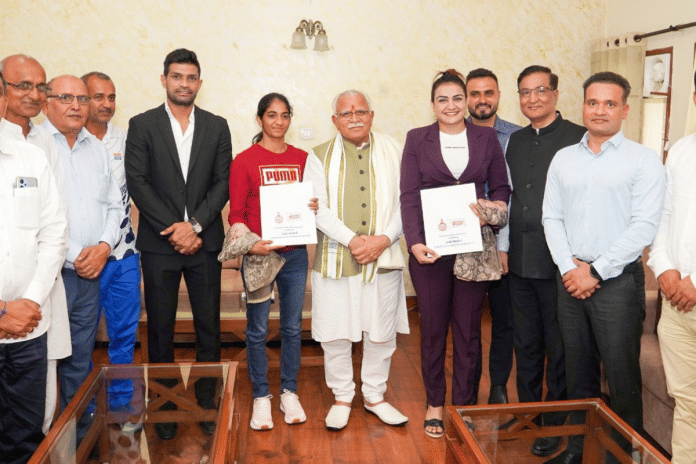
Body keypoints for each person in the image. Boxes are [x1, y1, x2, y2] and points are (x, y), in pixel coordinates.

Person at [542, 71, 665, 464]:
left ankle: (620, 458)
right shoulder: (563, 158)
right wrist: (569, 268)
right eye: (593, 102)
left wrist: (594, 272)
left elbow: (643, 227)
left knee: (623, 379)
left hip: (616, 284)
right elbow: (551, 218)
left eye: (610, 103)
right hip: (570, 278)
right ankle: (578, 451)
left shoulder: (644, 161)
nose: (600, 111)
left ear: (625, 110)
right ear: (582, 106)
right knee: (577, 376)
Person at [125, 49, 232, 440]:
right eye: (176, 76)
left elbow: (222, 182)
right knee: (161, 332)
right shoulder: (142, 124)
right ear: (164, 79)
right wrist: (176, 228)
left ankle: (206, 404)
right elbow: (138, 183)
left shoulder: (217, 126)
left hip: (205, 244)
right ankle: (165, 407)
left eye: (191, 77)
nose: (184, 83)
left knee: (209, 328)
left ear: (199, 83)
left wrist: (197, 225)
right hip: (159, 245)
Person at [400, 69, 511, 438]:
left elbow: (502, 186)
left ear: (466, 102)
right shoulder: (417, 139)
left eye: (457, 99)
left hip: (472, 248)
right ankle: (435, 402)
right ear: (433, 104)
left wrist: (490, 207)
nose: (451, 106)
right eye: (442, 99)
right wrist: (414, 242)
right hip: (430, 251)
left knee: (467, 331)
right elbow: (409, 195)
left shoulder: (486, 137)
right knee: (432, 329)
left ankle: (462, 405)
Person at [304, 89, 409, 431]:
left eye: (360, 111)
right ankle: (342, 396)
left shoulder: (396, 150)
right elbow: (316, 209)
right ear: (334, 120)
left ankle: (375, 396)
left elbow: (407, 203)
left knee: (381, 332)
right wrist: (353, 241)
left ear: (371, 115)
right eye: (346, 113)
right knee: (335, 332)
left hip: (385, 255)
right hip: (337, 258)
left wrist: (382, 240)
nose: (354, 117)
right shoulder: (317, 156)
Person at [503, 65, 586, 458]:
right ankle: (527, 414)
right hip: (519, 261)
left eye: (540, 90)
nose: (532, 98)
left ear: (555, 93)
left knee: (559, 348)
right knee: (527, 344)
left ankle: (554, 424)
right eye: (524, 92)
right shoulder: (515, 141)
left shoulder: (576, 139)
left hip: (559, 265)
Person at [228, 93, 313, 430]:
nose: (279, 122)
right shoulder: (244, 160)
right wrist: (251, 245)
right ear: (260, 119)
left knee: (293, 327)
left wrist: (314, 207)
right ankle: (261, 396)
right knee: (258, 329)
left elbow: (311, 203)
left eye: (285, 115)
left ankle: (288, 391)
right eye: (272, 115)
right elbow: (236, 214)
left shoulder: (303, 159)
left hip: (294, 256)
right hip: (260, 256)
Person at [42, 75, 123, 419]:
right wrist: (78, 255)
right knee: (43, 362)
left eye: (81, 98)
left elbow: (114, 206)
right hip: (53, 275)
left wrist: (104, 247)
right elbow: (41, 218)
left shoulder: (97, 148)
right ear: (47, 103)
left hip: (91, 272)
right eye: (65, 97)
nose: (76, 105)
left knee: (79, 357)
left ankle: (77, 434)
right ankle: (43, 440)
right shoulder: (37, 146)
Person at [0, 54, 70, 433]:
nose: (33, 94)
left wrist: (29, 301)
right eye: (21, 85)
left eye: (38, 87)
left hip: (34, 306)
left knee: (30, 418)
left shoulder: (39, 148)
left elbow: (54, 227)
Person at [82, 71, 141, 416]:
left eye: (111, 97)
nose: (106, 104)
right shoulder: (65, 141)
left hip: (123, 256)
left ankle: (121, 406)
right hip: (83, 261)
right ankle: (86, 409)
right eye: (98, 96)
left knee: (123, 337)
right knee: (83, 341)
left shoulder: (126, 140)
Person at [647, 71, 696, 464]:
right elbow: (663, 215)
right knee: (689, 405)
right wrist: (663, 267)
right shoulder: (682, 150)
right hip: (677, 308)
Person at [465, 68, 521, 405]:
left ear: (499, 95)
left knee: (504, 319)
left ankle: (498, 385)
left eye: (489, 93)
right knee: (468, 322)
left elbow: (514, 194)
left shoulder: (517, 136)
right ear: (466, 98)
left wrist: (504, 245)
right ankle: (468, 389)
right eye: (475, 93)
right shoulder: (453, 134)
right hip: (463, 243)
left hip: (502, 240)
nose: (482, 100)